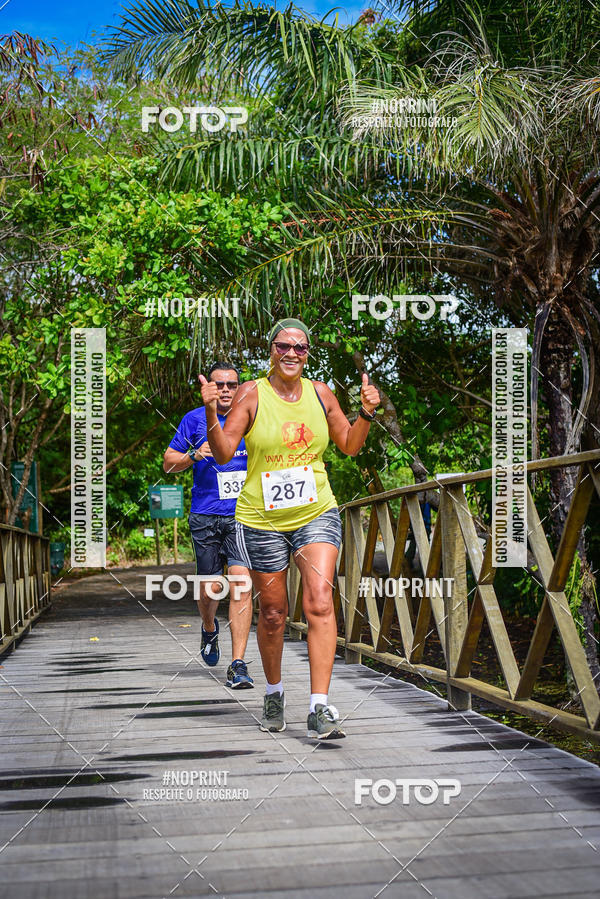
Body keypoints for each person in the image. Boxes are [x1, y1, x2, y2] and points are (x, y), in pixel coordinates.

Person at [200, 319, 380, 739]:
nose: (292, 353)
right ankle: (274, 693)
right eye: (284, 346)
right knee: (273, 613)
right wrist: (210, 410)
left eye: (300, 347)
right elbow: (223, 454)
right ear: (272, 350)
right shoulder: (251, 394)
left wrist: (366, 413)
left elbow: (350, 445)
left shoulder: (320, 394)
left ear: (308, 353)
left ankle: (319, 707)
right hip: (261, 518)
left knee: (319, 600)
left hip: (316, 511)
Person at [163, 362, 254, 689]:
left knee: (241, 583)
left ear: (240, 387)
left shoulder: (250, 417)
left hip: (243, 515)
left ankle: (238, 664)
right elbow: (168, 463)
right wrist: (193, 455)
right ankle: (209, 627)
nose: (226, 390)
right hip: (205, 515)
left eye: (232, 384)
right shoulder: (194, 419)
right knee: (211, 588)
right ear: (209, 388)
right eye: (220, 384)